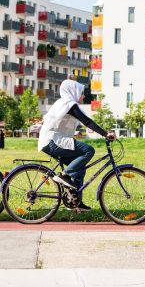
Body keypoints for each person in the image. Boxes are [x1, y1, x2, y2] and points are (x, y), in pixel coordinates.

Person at [38, 79, 115, 211]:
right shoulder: (69, 104)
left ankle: (74, 201)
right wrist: (105, 133)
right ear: (73, 91)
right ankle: (64, 175)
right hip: (53, 141)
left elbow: (83, 122)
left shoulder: (64, 104)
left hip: (51, 140)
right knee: (88, 150)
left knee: (80, 167)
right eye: (81, 93)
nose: (83, 96)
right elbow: (86, 121)